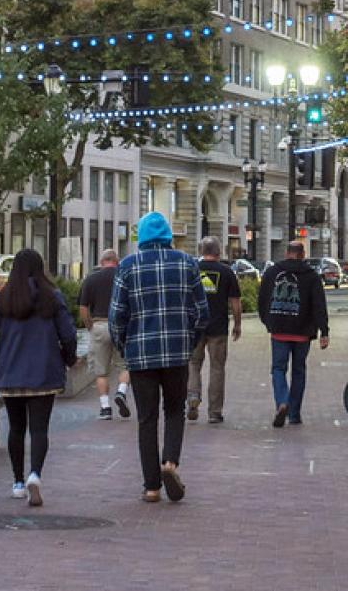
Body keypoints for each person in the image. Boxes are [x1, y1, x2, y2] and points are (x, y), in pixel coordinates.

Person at [108, 212, 209, 503]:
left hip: (140, 355)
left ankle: (151, 487)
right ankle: (170, 462)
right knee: (175, 411)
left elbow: (117, 316)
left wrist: (124, 345)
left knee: (147, 419)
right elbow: (202, 313)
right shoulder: (187, 263)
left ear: (141, 237)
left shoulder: (127, 266)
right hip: (177, 353)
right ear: (167, 236)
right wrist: (188, 340)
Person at [0, 248, 77, 508]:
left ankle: (18, 483)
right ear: (40, 268)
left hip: (11, 374)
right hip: (44, 374)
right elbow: (68, 334)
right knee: (40, 429)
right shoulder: (52, 297)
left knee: (16, 429)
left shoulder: (3, 297)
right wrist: (68, 359)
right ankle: (36, 474)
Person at [258, 241, 329, 427]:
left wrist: (268, 321)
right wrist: (324, 331)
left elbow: (262, 298)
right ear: (303, 254)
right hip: (302, 332)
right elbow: (319, 305)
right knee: (299, 371)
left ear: (286, 252)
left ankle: (282, 401)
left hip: (279, 330)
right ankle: (294, 414)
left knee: (278, 369)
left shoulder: (272, 272)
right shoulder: (312, 276)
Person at [186, 237, 242, 424]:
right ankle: (214, 412)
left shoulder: (192, 270)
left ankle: (193, 396)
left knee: (193, 364)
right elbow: (235, 301)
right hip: (218, 327)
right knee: (217, 368)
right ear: (218, 252)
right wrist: (237, 324)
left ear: (201, 250)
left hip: (194, 326)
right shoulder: (226, 272)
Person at [78, 249, 131, 420]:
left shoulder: (91, 279)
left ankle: (105, 408)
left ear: (101, 262)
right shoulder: (124, 277)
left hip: (99, 325)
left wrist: (90, 326)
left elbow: (83, 308)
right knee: (126, 365)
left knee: (101, 371)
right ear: (117, 261)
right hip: (121, 325)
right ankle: (121, 392)